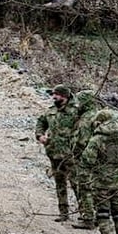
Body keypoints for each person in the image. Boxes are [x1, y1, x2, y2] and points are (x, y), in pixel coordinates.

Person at [35, 84, 79, 222]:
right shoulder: (50, 111)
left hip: (71, 154)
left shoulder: (76, 111)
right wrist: (40, 135)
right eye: (53, 94)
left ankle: (86, 214)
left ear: (64, 96)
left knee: (77, 184)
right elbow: (41, 122)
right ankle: (63, 213)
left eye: (57, 94)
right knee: (60, 184)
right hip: (54, 153)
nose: (54, 97)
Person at [70, 90, 102, 229]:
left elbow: (81, 141)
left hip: (86, 158)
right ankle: (96, 215)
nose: (77, 105)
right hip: (100, 158)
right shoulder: (99, 115)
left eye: (79, 101)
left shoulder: (86, 119)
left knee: (83, 186)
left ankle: (88, 218)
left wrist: (73, 154)